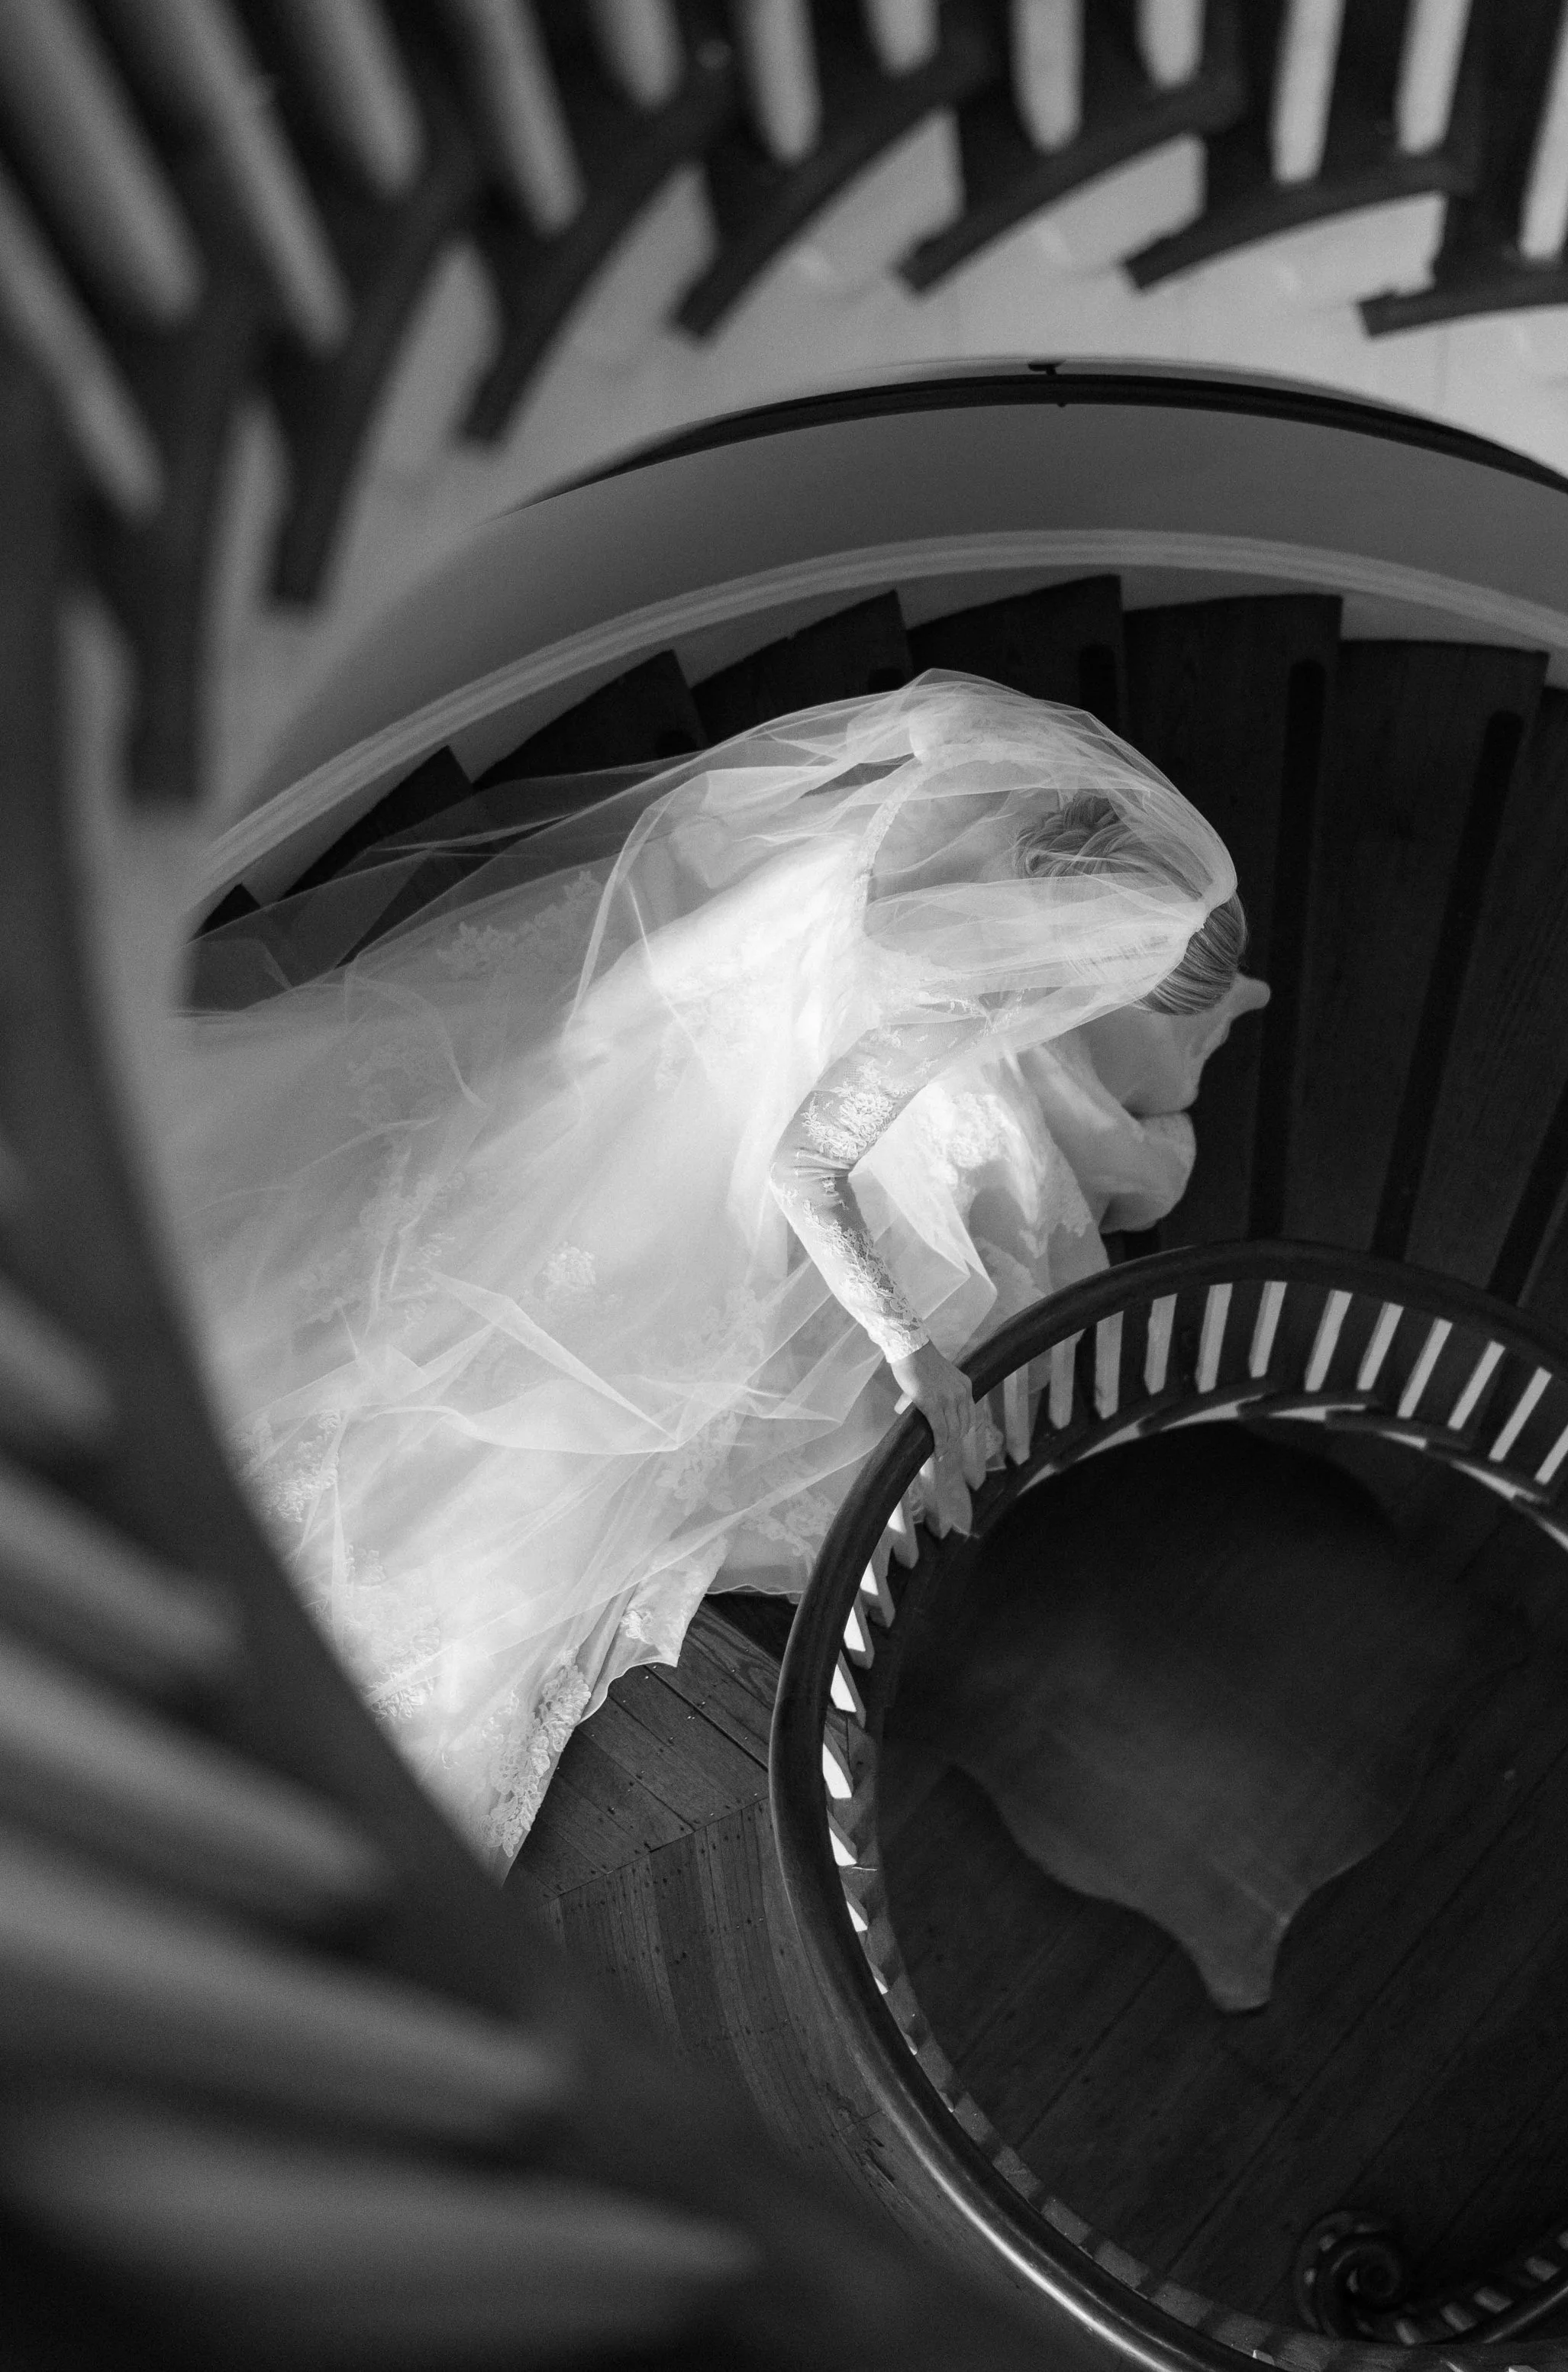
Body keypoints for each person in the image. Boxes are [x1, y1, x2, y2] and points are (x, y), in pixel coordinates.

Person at [169, 673, 1268, 1868]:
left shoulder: (993, 786)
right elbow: (806, 1169)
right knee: (539, 1417)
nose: (1096, 995)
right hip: (729, 1145)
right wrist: (910, 1345)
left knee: (479, 1222)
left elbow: (923, 722)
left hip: (694, 1007)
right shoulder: (949, 984)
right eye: (1114, 978)